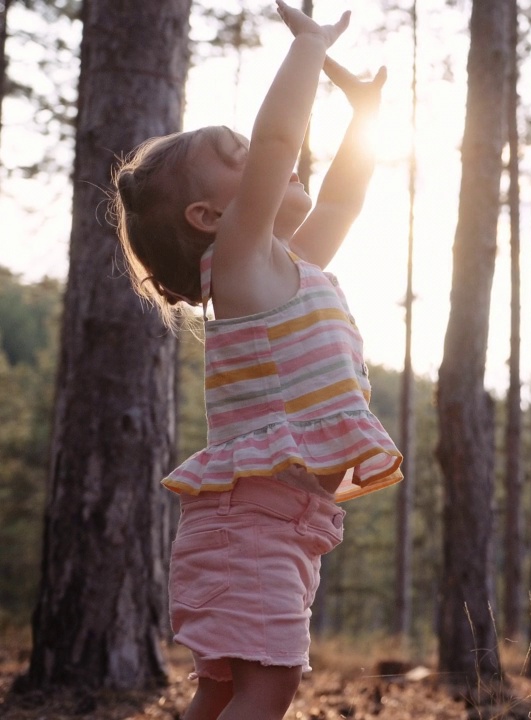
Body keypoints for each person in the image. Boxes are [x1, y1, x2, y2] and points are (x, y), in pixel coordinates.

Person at [110, 4, 400, 718]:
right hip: (251, 530)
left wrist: (363, 115)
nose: (280, 159)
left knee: (224, 695)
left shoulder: (287, 268)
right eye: (240, 160)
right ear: (210, 219)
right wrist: (307, 49)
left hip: (271, 528)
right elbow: (279, 136)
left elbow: (343, 195)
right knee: (265, 693)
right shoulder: (239, 265)